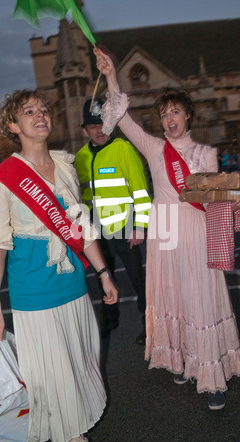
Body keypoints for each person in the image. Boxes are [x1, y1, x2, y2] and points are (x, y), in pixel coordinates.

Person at [95, 49, 240, 410]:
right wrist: (110, 77)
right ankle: (183, 358)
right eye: (164, 114)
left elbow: (217, 198)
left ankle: (211, 375)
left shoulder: (205, 153)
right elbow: (122, 118)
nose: (170, 119)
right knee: (172, 295)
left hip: (195, 227)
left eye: (176, 112)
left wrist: (237, 201)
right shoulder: (154, 148)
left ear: (188, 115)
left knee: (200, 295)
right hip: (164, 228)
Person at [0, 89, 118, 442]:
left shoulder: (66, 166)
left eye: (44, 110)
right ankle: (72, 437)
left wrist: (103, 273)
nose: (41, 115)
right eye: (29, 112)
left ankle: (73, 421)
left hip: (72, 280)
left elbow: (80, 229)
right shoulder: (3, 178)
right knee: (52, 369)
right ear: (13, 124)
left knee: (80, 356)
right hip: (32, 288)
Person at [74, 98, 151, 345]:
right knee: (103, 278)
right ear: (85, 130)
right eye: (93, 126)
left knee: (138, 280)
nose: (100, 130)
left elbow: (141, 191)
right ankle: (110, 318)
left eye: (104, 123)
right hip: (97, 233)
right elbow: (80, 196)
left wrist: (140, 225)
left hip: (125, 229)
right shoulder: (81, 157)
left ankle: (149, 323)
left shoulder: (123, 149)